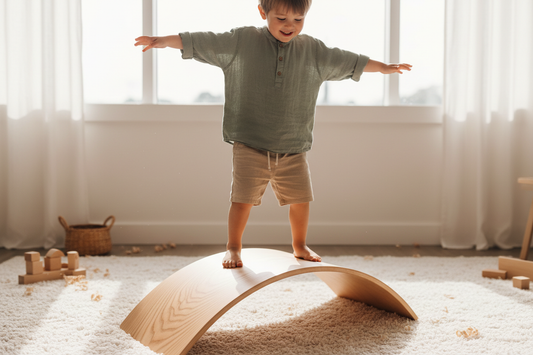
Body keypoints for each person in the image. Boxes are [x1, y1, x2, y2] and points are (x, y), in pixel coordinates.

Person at [135, 0, 412, 269]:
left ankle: (299, 245)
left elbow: (349, 60)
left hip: (293, 146)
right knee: (242, 200)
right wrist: (164, 40)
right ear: (262, 12)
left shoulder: (312, 50)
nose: (290, 25)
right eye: (281, 18)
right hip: (250, 143)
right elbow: (204, 41)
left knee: (301, 201)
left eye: (298, 20)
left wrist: (384, 67)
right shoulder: (242, 41)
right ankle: (233, 246)